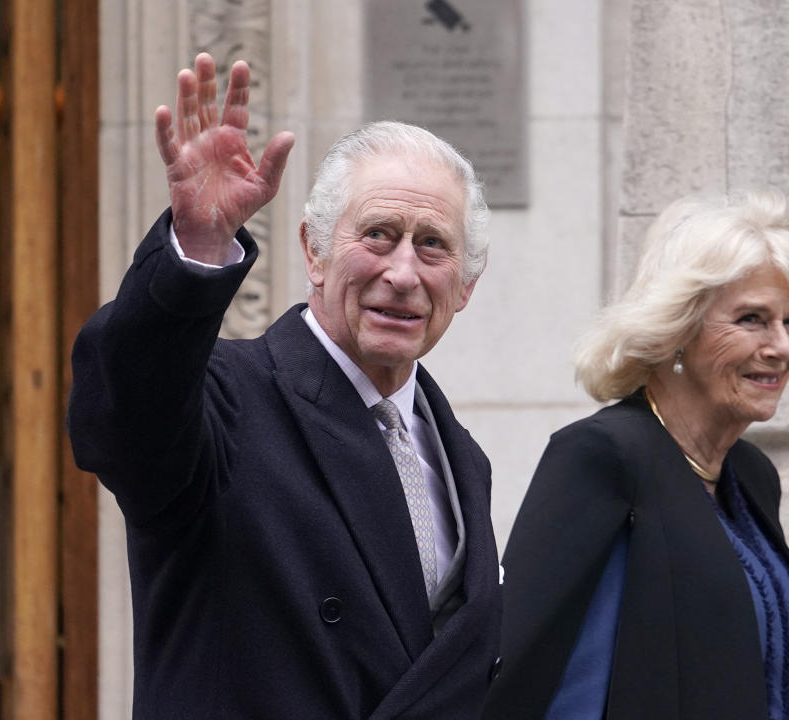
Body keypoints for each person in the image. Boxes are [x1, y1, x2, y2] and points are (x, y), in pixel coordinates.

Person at [67, 53, 501, 719]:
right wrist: (196, 252)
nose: (404, 272)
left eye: (433, 245)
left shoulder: (461, 457)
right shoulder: (226, 401)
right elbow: (120, 415)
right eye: (378, 235)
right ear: (313, 251)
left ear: (465, 285)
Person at [482, 190, 789, 720]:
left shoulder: (751, 473)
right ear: (678, 328)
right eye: (751, 319)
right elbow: (543, 676)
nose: (783, 347)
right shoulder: (603, 456)